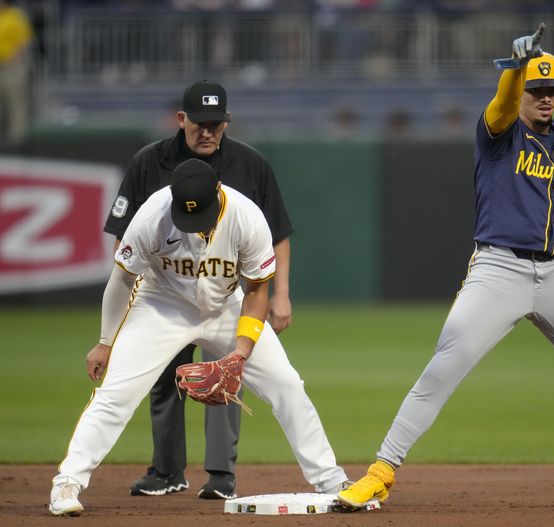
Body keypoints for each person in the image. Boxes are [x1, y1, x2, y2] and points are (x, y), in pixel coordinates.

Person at [338, 27, 554, 510]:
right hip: (498, 270)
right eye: (536, 89)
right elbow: (502, 106)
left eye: (553, 91)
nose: (545, 98)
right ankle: (381, 473)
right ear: (522, 92)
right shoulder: (500, 135)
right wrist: (513, 69)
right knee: (442, 370)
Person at [48, 159, 349, 517]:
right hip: (161, 306)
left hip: (226, 304)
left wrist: (240, 352)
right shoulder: (151, 217)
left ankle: (331, 480)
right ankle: (68, 481)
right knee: (117, 394)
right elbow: (122, 279)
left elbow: (256, 290)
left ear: (218, 192)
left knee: (286, 384)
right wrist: (105, 340)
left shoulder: (247, 218)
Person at [103, 80, 294, 500]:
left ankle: (221, 474)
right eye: (200, 123)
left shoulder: (250, 163)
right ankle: (167, 470)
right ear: (181, 119)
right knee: (162, 377)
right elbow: (122, 237)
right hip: (165, 292)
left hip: (225, 292)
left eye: (217, 123)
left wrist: (280, 294)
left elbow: (278, 232)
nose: (208, 131)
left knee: (224, 374)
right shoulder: (148, 162)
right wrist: (138, 289)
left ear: (227, 122)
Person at [0, 0, 34, 145]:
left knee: (15, 99)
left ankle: (17, 137)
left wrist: (16, 55)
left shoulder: (15, 16)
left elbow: (24, 39)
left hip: (12, 65)